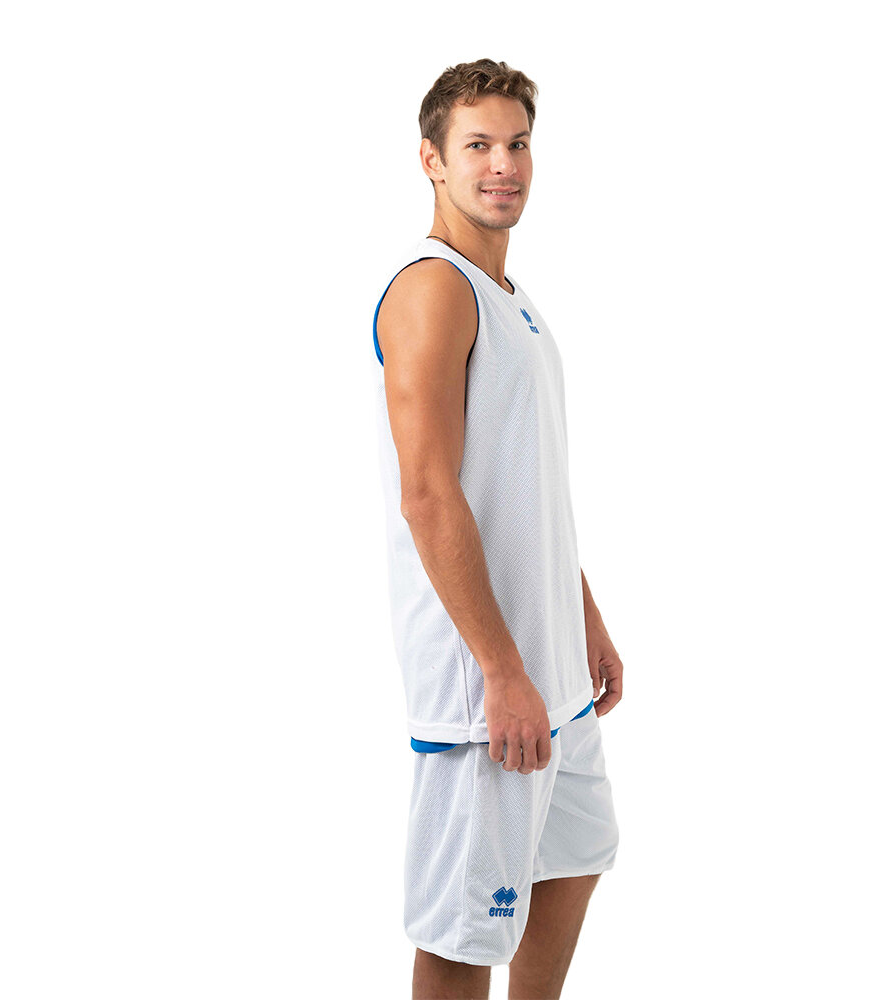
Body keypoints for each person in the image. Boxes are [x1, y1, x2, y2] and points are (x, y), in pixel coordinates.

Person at [371, 58, 623, 1000]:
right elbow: (428, 495)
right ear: (431, 160)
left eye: (516, 144)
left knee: (575, 858)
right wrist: (501, 671)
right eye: (476, 145)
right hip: (488, 685)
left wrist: (583, 618)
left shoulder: (509, 296)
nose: (503, 164)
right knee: (466, 931)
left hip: (550, 667)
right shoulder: (433, 288)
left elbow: (528, 487)